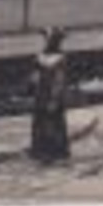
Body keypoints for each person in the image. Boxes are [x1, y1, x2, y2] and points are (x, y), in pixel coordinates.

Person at [30, 28, 71, 163]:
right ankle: (46, 150)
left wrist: (54, 97)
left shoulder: (57, 58)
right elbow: (35, 76)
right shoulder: (45, 57)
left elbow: (59, 80)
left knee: (51, 122)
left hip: (49, 94)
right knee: (45, 121)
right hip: (44, 94)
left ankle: (50, 151)